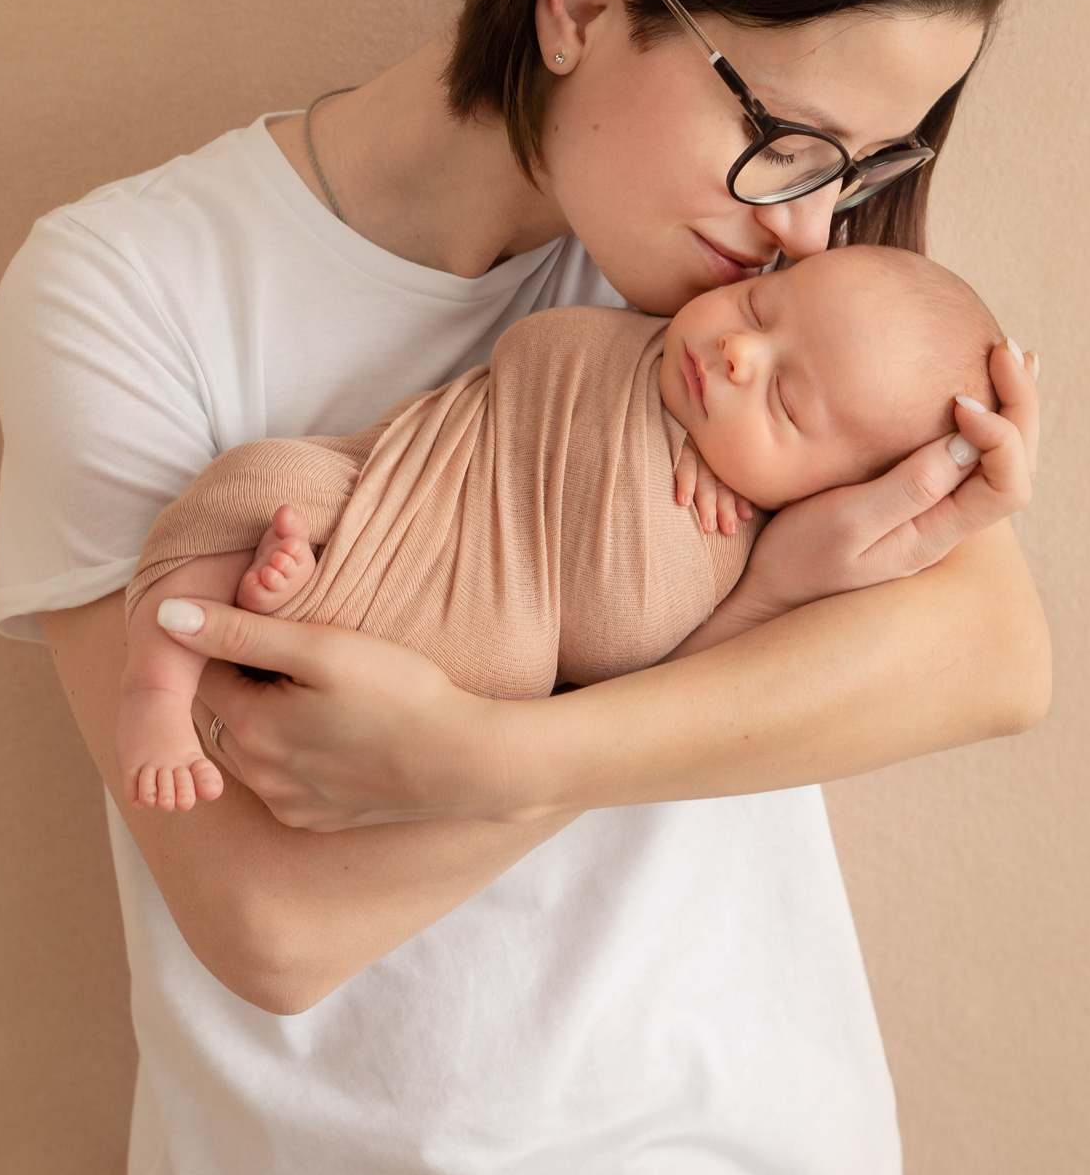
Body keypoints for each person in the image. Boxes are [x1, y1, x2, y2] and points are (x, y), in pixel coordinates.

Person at [0, 0, 1050, 1175]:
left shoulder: (751, 305)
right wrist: (755, 626)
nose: (814, 228)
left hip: (754, 1167)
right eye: (790, 138)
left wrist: (494, 752)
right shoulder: (130, 287)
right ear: (582, 1)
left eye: (868, 166)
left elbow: (993, 658)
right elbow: (272, 923)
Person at [109, 243, 1019, 814]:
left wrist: (771, 584)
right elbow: (536, 364)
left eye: (784, 400)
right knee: (267, 482)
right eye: (760, 306)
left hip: (476, 658)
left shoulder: (749, 553)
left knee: (505, 658)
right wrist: (661, 416)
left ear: (830, 491)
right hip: (392, 497)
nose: (739, 352)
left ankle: (302, 600)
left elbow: (1011, 671)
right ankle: (160, 682)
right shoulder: (639, 328)